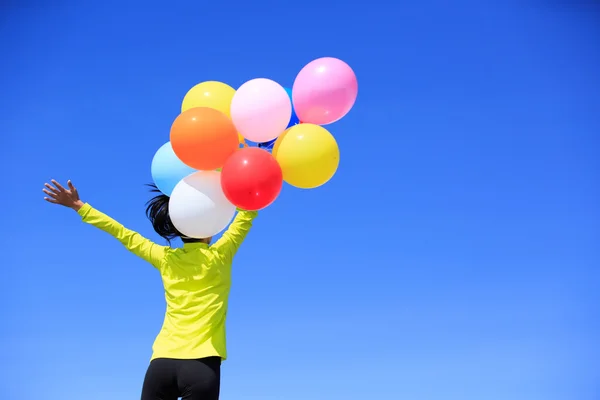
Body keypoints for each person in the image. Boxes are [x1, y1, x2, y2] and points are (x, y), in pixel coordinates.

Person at [42, 179, 258, 400]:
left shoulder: (165, 258)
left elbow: (124, 234)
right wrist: (245, 181)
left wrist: (79, 205)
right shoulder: (220, 256)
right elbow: (245, 216)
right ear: (209, 225)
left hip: (161, 364)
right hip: (202, 364)